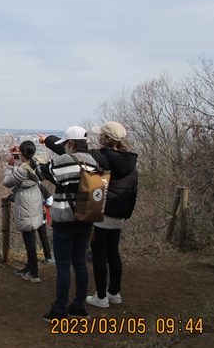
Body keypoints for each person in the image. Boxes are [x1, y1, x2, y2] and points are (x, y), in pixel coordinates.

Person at [36, 126, 106, 322]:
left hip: (65, 218)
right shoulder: (93, 161)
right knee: (80, 263)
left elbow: (41, 172)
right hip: (86, 217)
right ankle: (78, 306)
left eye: (65, 143)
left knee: (64, 266)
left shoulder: (64, 161)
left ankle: (59, 309)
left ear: (71, 143)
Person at [86, 122, 138, 308]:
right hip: (119, 213)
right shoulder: (130, 161)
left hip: (104, 211)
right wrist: (126, 213)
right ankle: (114, 292)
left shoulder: (103, 156)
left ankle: (101, 297)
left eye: (101, 135)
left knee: (99, 254)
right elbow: (133, 190)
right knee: (113, 253)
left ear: (108, 139)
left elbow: (77, 153)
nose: (99, 137)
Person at [3, 141, 45, 282]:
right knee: (30, 235)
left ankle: (34, 272)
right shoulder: (37, 165)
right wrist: (20, 155)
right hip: (34, 200)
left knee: (29, 237)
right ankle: (30, 265)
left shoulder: (23, 170)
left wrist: (9, 166)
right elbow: (28, 164)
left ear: (21, 153)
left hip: (26, 203)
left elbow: (7, 182)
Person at [38, 183, 55, 264]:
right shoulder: (40, 187)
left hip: (29, 217)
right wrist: (45, 205)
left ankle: (33, 260)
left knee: (30, 238)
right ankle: (48, 257)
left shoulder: (23, 185)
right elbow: (50, 200)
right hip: (41, 215)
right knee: (43, 236)